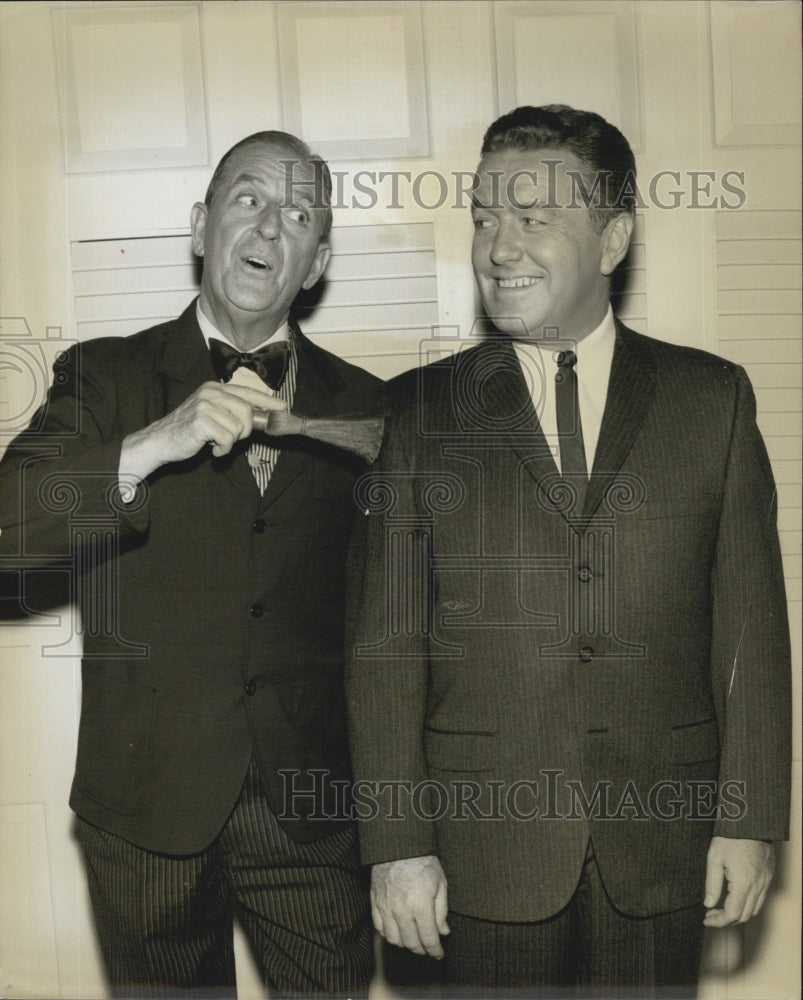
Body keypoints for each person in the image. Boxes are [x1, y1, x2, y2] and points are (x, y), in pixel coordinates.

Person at [344, 105, 791, 996]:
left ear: (613, 236)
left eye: (534, 219)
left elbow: (750, 630)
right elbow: (385, 649)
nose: (498, 248)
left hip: (661, 845)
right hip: (483, 851)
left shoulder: (712, 400)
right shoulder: (417, 415)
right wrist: (397, 845)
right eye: (482, 219)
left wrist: (748, 819)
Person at [0, 131, 381, 998]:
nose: (268, 227)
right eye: (247, 199)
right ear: (201, 226)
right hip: (145, 812)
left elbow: (399, 616)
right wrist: (149, 446)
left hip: (313, 819)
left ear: (316, 261)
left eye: (297, 215)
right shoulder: (104, 377)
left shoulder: (367, 407)